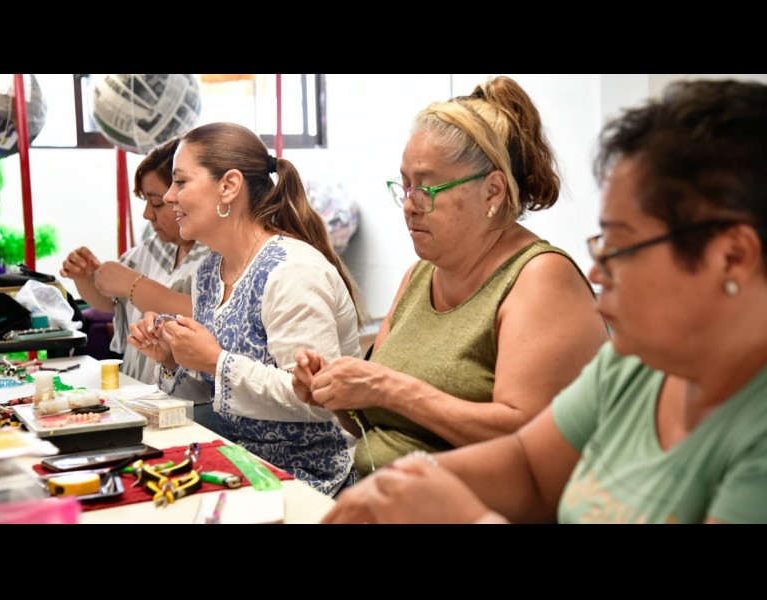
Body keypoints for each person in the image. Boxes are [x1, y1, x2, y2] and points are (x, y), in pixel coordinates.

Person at [322, 78, 767, 524]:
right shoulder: (632, 368)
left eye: (622, 247)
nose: (596, 274)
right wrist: (400, 485)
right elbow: (529, 466)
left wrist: (466, 515)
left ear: (732, 258)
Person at [292, 76, 609, 479]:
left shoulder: (540, 278)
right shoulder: (420, 275)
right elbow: (371, 425)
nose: (409, 206)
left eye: (427, 189)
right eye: (405, 186)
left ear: (493, 191)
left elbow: (531, 440)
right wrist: (336, 392)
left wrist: (389, 388)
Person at [126, 122, 364, 496]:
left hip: (313, 478)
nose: (170, 196)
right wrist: (173, 358)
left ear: (229, 186)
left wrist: (215, 361)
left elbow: (319, 400)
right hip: (243, 465)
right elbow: (214, 392)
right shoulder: (209, 272)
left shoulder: (291, 271)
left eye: (180, 182)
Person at [60, 138, 208, 385]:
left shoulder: (217, 253)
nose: (147, 214)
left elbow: (205, 314)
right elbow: (111, 301)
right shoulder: (153, 248)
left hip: (188, 394)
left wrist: (132, 283)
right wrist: (85, 276)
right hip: (138, 387)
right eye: (146, 202)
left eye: (157, 203)